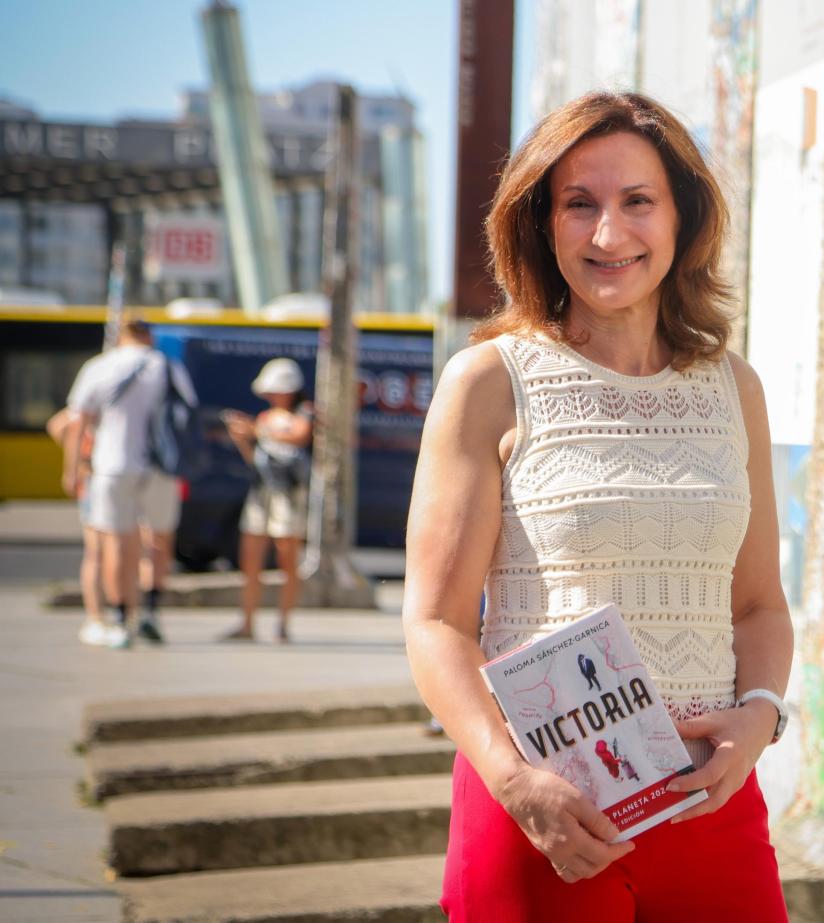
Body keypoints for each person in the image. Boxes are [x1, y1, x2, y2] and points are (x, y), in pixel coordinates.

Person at [402, 91, 792, 922]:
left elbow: (758, 606)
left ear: (683, 217)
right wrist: (516, 783)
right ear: (542, 224)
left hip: (709, 805)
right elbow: (435, 623)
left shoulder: (735, 389)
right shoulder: (489, 382)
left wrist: (762, 717)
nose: (609, 235)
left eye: (637, 202)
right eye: (579, 204)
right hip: (542, 811)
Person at [62, 319, 196, 648]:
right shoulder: (167, 366)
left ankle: (120, 617)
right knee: (159, 539)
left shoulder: (100, 366)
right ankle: (150, 609)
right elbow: (187, 413)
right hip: (161, 467)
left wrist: (73, 468)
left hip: (112, 466)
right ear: (148, 336)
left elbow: (77, 422)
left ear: (121, 335)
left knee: (115, 543)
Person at [220, 357, 312, 642]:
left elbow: (299, 436)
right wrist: (242, 439)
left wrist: (255, 431)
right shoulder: (264, 419)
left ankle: (283, 625)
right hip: (261, 491)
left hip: (289, 493)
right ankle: (247, 623)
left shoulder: (304, 413)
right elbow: (256, 460)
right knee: (250, 561)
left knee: (287, 559)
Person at [47, 407, 113, 646]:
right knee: (97, 551)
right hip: (94, 480)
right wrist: (78, 460)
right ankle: (96, 617)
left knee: (112, 551)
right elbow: (57, 425)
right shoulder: (90, 402)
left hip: (110, 479)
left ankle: (110, 615)